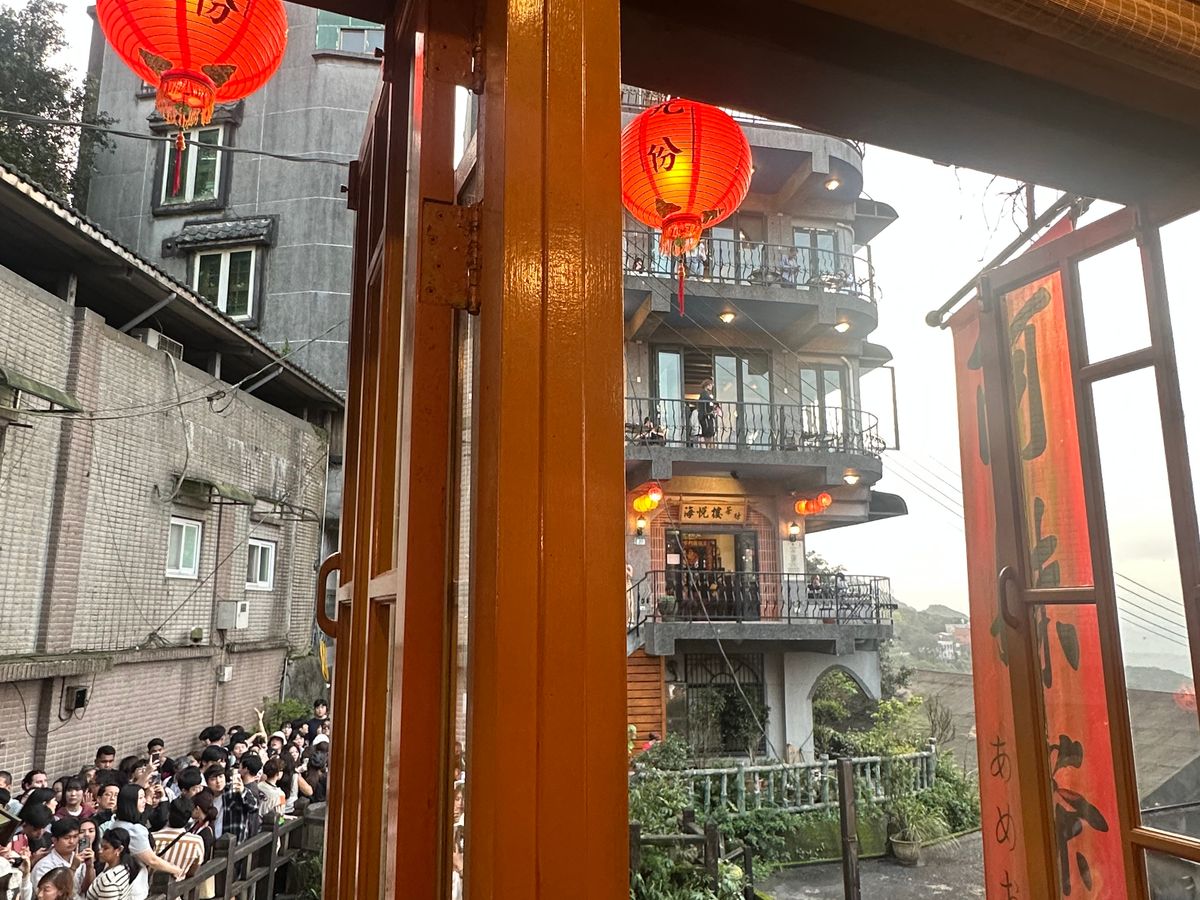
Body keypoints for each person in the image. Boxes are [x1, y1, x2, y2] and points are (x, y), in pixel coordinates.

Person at [110, 786, 182, 900]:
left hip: (118, 879)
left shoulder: (116, 823)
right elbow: (152, 860)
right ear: (130, 802)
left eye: (144, 797)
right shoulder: (135, 830)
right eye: (141, 798)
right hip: (134, 883)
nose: (145, 801)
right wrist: (175, 869)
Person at [149, 800, 203, 882]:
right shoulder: (197, 842)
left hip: (151, 887)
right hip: (180, 887)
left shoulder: (153, 837)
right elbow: (193, 871)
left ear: (168, 814)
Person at [29, 820, 85, 896]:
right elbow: (46, 896)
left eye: (75, 837)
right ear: (54, 840)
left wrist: (90, 866)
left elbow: (86, 889)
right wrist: (73, 868)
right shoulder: (43, 866)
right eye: (67, 838)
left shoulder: (79, 857)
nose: (72, 841)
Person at [84, 828, 137, 900]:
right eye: (101, 846)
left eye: (105, 848)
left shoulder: (109, 883)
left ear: (119, 849)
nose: (100, 851)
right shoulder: (124, 866)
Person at [697, 378, 719, 447]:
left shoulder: (705, 394)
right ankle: (707, 447)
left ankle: (708, 446)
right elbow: (709, 400)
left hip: (705, 416)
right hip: (705, 416)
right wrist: (716, 403)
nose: (711, 387)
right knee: (708, 431)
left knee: (709, 431)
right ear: (707, 386)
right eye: (710, 385)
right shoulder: (704, 394)